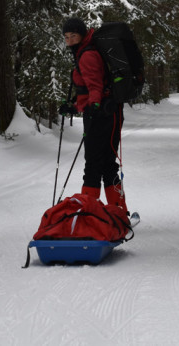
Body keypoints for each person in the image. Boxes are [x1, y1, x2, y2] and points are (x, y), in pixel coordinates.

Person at [59, 17, 128, 213]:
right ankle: (116, 211)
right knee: (104, 164)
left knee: (96, 164)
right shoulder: (84, 52)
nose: (70, 40)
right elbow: (88, 89)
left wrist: (94, 105)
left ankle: (91, 213)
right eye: (66, 37)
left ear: (82, 35)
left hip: (103, 115)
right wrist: (75, 105)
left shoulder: (87, 55)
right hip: (105, 113)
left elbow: (95, 85)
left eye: (73, 35)